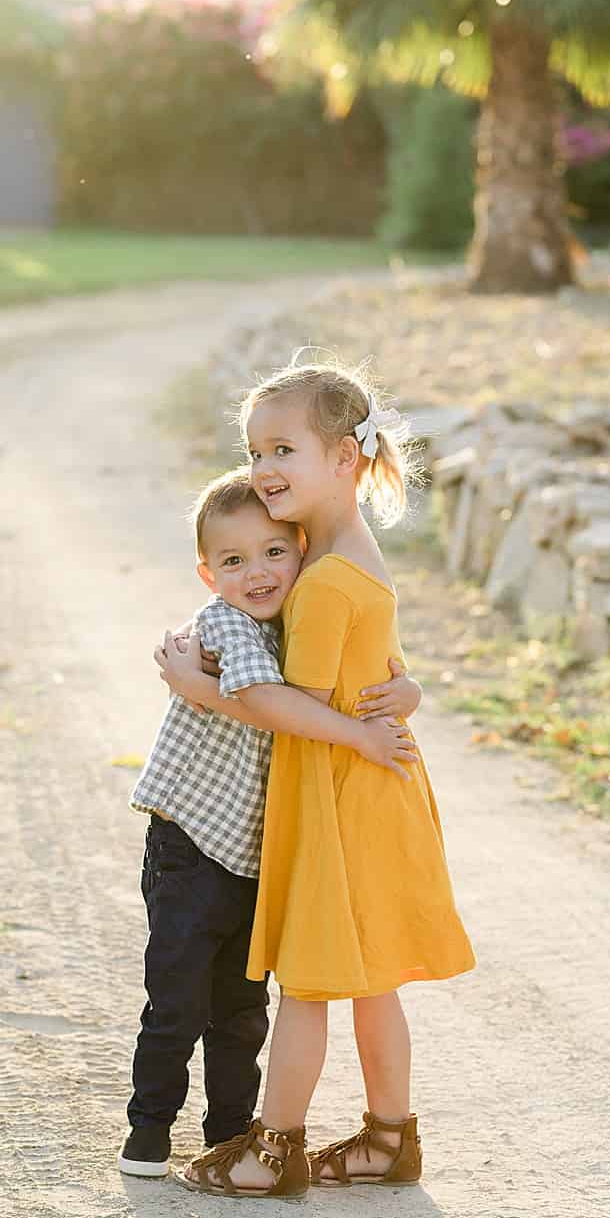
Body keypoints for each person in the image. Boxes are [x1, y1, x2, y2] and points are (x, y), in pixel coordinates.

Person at [158, 357, 476, 1198]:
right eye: (255, 451)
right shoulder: (341, 553)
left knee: (308, 981)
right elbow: (382, 666)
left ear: (343, 458)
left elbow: (286, 703)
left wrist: (201, 689)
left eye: (282, 450)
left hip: (342, 792)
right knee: (372, 978)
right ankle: (389, 1137)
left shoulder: (326, 578)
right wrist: (409, 692)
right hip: (374, 789)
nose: (263, 469)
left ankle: (274, 1151)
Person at [121, 469, 423, 1179]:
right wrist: (199, 685)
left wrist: (408, 688)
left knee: (242, 1007)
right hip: (192, 841)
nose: (256, 573)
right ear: (209, 574)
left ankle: (230, 1133)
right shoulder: (226, 623)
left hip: (255, 852)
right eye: (233, 561)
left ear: (300, 550)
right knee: (177, 1000)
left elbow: (366, 662)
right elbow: (266, 699)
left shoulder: (305, 607)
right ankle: (148, 1134)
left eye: (273, 553)